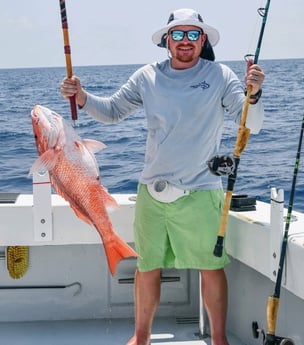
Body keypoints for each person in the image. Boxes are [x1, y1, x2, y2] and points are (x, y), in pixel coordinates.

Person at [60, 8, 265, 345]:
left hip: (200, 192)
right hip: (151, 192)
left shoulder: (220, 76)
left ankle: (218, 339)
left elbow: (251, 124)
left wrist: (254, 94)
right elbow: (111, 111)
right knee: (147, 267)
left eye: (193, 34)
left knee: (211, 268)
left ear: (202, 40)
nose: (186, 41)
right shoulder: (147, 76)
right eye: (178, 34)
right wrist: (80, 96)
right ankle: (141, 337)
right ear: (166, 40)